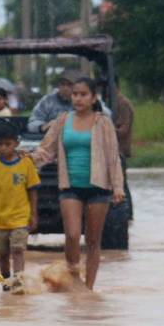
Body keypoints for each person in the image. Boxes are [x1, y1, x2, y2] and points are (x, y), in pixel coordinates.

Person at [31, 77, 125, 290]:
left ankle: (89, 288)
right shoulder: (62, 120)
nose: (78, 98)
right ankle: (73, 280)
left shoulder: (103, 123)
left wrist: (118, 187)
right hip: (70, 186)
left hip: (98, 188)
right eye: (75, 94)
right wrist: (28, 159)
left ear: (93, 98)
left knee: (92, 241)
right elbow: (46, 150)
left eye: (83, 94)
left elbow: (112, 157)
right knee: (72, 235)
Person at [0, 124, 39, 287]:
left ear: (16, 143)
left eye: (7, 144)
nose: (3, 148)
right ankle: (5, 281)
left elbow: (33, 190)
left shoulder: (26, 163)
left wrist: (33, 214)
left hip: (20, 216)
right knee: (2, 253)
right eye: (0, 144)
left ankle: (18, 282)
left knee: (18, 249)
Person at [114, 90, 134, 159]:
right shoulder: (115, 101)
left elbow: (124, 128)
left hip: (121, 148)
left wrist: (109, 131)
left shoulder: (123, 103)